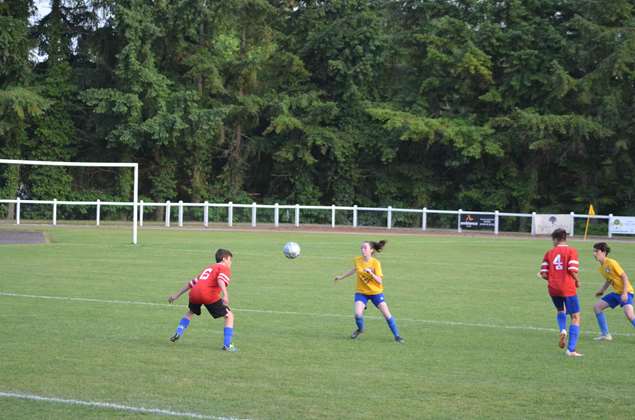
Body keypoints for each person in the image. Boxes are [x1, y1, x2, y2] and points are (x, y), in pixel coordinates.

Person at [334, 240, 404, 343]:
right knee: (358, 314)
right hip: (361, 292)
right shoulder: (357, 260)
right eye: (361, 248)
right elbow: (354, 270)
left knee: (387, 315)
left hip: (376, 293)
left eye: (365, 248)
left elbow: (379, 280)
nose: (362, 250)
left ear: (371, 250)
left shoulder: (375, 263)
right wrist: (341, 277)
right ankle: (360, 329)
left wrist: (371, 273)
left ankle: (397, 336)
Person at [168, 248, 237, 352]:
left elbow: (191, 283)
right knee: (229, 316)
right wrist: (225, 295)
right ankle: (227, 345)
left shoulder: (209, 268)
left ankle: (179, 331)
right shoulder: (224, 268)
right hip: (208, 294)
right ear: (224, 259)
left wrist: (176, 295)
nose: (231, 262)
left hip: (194, 293)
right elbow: (220, 279)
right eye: (230, 260)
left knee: (190, 312)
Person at [539, 228, 582, 357]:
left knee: (560, 310)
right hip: (568, 287)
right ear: (564, 238)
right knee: (575, 317)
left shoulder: (549, 253)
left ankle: (563, 329)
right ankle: (571, 350)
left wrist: (552, 279)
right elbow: (572, 269)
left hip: (553, 288)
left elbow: (543, 274)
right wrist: (577, 281)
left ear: (556, 239)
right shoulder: (571, 251)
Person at [591, 242, 635, 341]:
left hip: (626, 292)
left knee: (629, 314)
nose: (594, 254)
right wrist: (602, 290)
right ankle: (605, 335)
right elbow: (609, 280)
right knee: (597, 307)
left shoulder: (611, 262)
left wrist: (625, 293)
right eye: (594, 251)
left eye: (596, 251)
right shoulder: (601, 267)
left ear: (603, 252)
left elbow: (624, 277)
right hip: (617, 293)